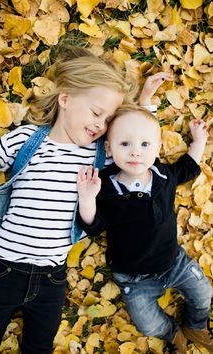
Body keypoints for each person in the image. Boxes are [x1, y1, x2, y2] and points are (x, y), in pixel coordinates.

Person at [0, 45, 170, 354]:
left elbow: (137, 143)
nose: (100, 125)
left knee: (39, 348)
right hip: (3, 270)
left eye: (107, 120)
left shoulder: (100, 156)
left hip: (52, 278)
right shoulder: (27, 139)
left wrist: (146, 103)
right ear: (65, 99)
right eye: (96, 113)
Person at [77, 104, 213, 354]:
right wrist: (87, 198)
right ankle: (172, 333)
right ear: (109, 148)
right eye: (125, 144)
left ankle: (196, 325)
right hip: (134, 277)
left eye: (145, 145)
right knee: (147, 324)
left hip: (174, 262)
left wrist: (199, 140)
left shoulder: (163, 176)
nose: (135, 153)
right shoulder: (105, 186)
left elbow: (188, 167)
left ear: (157, 149)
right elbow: (94, 225)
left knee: (204, 292)